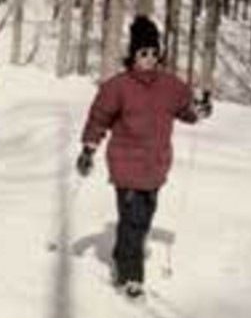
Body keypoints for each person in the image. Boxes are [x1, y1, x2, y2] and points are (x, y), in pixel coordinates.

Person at [76, 16, 212, 299]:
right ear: (133, 54)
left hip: (156, 166)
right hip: (126, 163)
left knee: (142, 220)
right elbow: (99, 119)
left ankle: (122, 253)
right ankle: (130, 276)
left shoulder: (171, 86)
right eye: (143, 53)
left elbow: (185, 111)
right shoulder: (118, 87)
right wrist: (89, 148)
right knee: (134, 221)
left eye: (153, 53)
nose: (149, 58)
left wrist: (199, 110)